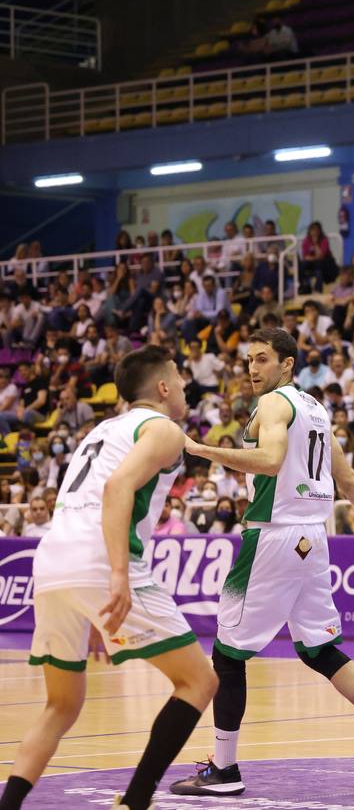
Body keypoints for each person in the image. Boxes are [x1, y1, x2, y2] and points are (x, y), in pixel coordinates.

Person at [170, 329, 354, 798]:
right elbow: (345, 479)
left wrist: (200, 449)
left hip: (272, 535)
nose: (252, 368)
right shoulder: (316, 410)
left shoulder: (273, 404)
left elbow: (269, 461)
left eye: (262, 359)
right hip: (314, 539)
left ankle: (224, 770)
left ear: (286, 365)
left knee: (227, 656)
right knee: (319, 650)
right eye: (248, 360)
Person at [2, 346, 217, 810]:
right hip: (100, 559)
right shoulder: (163, 429)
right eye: (179, 378)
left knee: (61, 705)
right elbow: (118, 487)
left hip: (52, 562)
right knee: (200, 682)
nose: (184, 385)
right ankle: (137, 799)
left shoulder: (100, 430)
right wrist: (117, 575)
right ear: (162, 387)